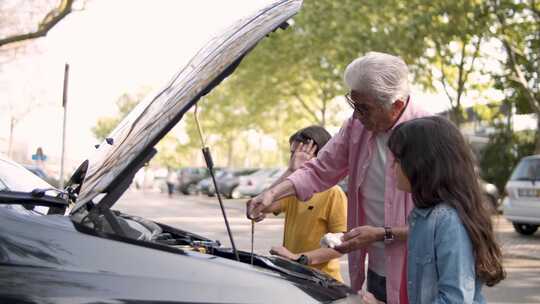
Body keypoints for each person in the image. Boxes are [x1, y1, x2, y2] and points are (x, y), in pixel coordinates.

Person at [248, 52, 429, 303]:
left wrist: (381, 234)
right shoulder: (356, 126)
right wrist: (272, 193)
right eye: (353, 104)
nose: (356, 115)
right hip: (377, 270)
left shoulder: (429, 134)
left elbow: (441, 223)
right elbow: (319, 169)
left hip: (419, 272)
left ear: (396, 105)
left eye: (363, 108)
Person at [361, 116, 506, 303]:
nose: (391, 167)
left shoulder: (448, 221)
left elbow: (454, 300)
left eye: (397, 160)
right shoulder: (421, 216)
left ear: (422, 164)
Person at [248, 126, 347, 282]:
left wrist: (298, 258)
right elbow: (259, 208)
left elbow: (341, 246)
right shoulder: (292, 190)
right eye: (292, 154)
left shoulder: (334, 193)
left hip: (322, 282)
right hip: (293, 277)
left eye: (300, 154)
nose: (294, 159)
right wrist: (290, 171)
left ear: (321, 157)